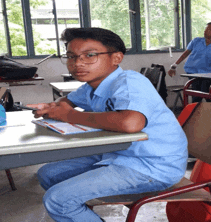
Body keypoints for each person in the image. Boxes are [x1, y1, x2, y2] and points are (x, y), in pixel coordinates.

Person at [29, 27, 188, 222]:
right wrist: (52, 108)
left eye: (90, 55)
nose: (78, 63)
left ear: (116, 58)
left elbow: (131, 123)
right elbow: (67, 102)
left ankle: (71, 207)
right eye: (71, 56)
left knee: (57, 200)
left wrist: (69, 116)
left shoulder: (130, 82)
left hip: (151, 164)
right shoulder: (91, 86)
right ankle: (81, 213)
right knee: (48, 174)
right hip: (118, 153)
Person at [168, 22, 211, 102]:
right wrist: (174, 66)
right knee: (197, 94)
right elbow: (185, 54)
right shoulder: (196, 41)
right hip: (192, 71)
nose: (205, 31)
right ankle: (196, 112)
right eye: (205, 29)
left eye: (209, 29)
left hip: (207, 73)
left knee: (206, 92)